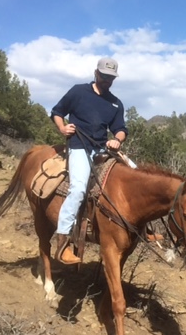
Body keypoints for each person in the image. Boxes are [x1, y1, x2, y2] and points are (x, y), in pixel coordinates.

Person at [50, 57, 128, 264]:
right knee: (78, 189)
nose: (106, 81)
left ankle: (143, 229)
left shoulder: (115, 103)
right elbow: (57, 112)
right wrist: (62, 128)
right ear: (96, 73)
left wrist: (117, 140)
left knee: (134, 172)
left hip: (102, 147)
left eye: (110, 78)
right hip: (79, 145)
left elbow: (120, 129)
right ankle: (63, 243)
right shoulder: (78, 91)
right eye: (104, 76)